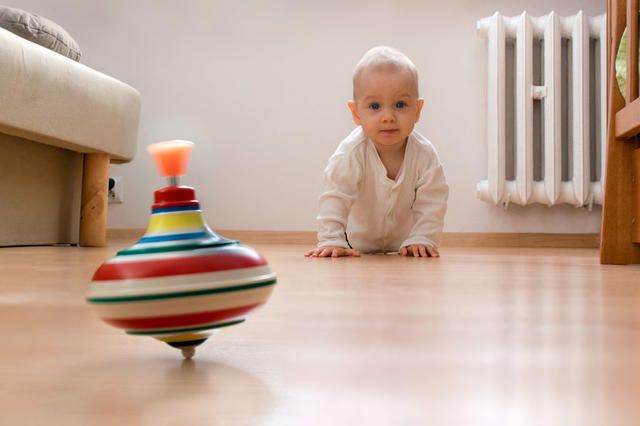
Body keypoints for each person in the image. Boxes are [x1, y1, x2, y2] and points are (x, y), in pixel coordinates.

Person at [304, 46, 448, 258]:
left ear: (417, 111)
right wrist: (332, 239)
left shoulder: (425, 155)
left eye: (400, 104)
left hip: (405, 245)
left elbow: (433, 202)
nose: (388, 116)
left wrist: (423, 237)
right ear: (356, 113)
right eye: (374, 106)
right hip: (355, 245)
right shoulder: (350, 154)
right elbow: (335, 197)